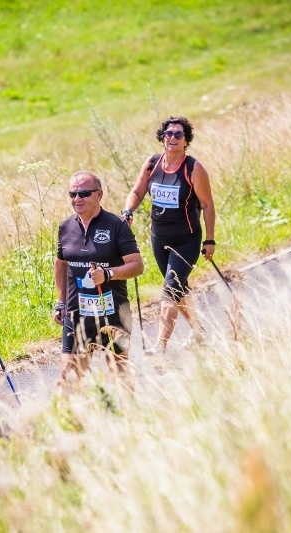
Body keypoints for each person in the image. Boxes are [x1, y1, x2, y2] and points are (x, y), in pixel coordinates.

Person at [121, 116, 216, 353]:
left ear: (186, 140)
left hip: (187, 239)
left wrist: (210, 239)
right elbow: (137, 191)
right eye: (169, 134)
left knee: (170, 291)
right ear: (162, 138)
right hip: (159, 238)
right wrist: (127, 211)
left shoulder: (193, 168)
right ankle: (199, 332)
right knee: (179, 288)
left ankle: (159, 348)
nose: (172, 138)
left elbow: (207, 204)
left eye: (178, 134)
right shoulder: (152, 163)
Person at [53, 170, 144, 390]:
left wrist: (109, 273)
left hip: (112, 311)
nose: (77, 199)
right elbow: (61, 263)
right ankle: (73, 422)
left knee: (118, 371)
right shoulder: (66, 227)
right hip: (77, 312)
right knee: (69, 375)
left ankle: (129, 419)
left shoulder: (116, 225)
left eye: (84, 193)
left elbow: (137, 265)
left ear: (99, 194)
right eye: (72, 194)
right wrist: (61, 301)